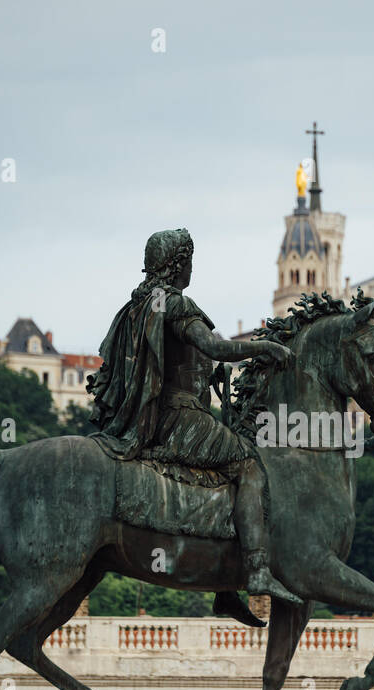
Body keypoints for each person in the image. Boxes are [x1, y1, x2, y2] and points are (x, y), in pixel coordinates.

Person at [86, 228, 301, 612]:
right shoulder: (175, 304)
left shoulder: (136, 306)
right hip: (178, 417)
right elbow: (215, 346)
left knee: (219, 474)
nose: (190, 269)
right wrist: (265, 347)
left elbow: (168, 361)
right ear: (177, 265)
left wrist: (205, 374)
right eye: (189, 261)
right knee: (249, 463)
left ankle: (224, 585)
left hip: (148, 418)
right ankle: (255, 571)